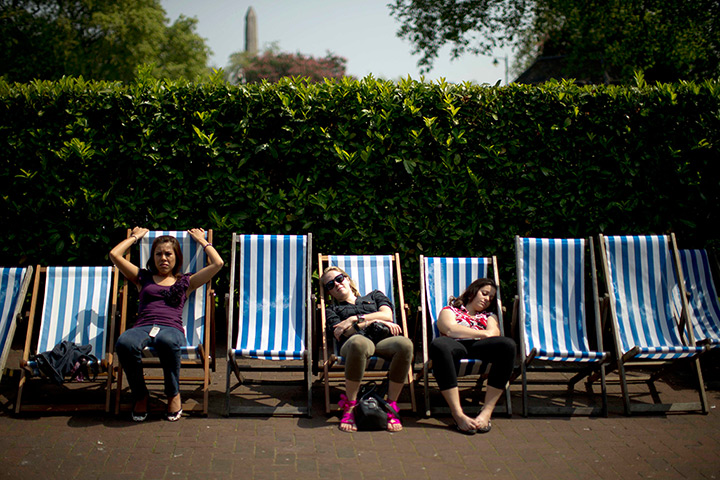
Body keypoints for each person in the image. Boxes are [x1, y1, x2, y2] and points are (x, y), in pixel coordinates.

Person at [110, 227, 223, 422]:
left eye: (168, 254)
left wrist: (202, 241)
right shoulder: (142, 278)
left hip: (171, 329)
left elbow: (218, 263)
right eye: (158, 254)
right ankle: (141, 395)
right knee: (124, 343)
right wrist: (135, 237)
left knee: (165, 341)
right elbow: (114, 254)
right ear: (153, 257)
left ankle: (173, 393)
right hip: (142, 326)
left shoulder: (186, 282)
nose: (163, 258)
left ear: (176, 257)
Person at [321, 266, 414, 432]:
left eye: (339, 279)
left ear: (347, 279)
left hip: (382, 343)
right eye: (330, 285)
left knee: (405, 344)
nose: (336, 284)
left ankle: (390, 404)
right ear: (329, 292)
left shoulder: (375, 295)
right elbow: (342, 333)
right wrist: (373, 320)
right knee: (359, 343)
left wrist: (354, 319)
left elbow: (387, 315)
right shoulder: (332, 310)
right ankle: (350, 405)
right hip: (354, 344)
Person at [429, 278, 516, 434]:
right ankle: (458, 414)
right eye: (484, 293)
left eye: (491, 297)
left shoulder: (490, 316)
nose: (487, 299)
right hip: (455, 345)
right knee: (439, 344)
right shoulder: (450, 310)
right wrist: (482, 333)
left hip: (479, 347)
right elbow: (449, 330)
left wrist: (474, 333)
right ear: (472, 292)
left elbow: (494, 334)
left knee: (508, 345)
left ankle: (486, 412)